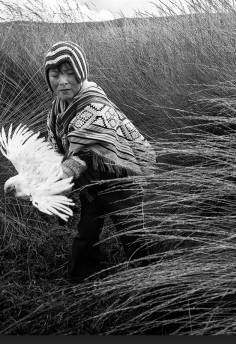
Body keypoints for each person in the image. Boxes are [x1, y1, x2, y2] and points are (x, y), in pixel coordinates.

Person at [43, 41, 155, 283]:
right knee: (87, 231)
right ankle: (81, 276)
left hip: (120, 180)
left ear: (81, 74)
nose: (62, 81)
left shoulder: (95, 108)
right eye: (55, 75)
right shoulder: (56, 108)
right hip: (92, 181)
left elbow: (81, 157)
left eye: (70, 74)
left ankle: (149, 279)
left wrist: (51, 182)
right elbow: (55, 145)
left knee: (131, 229)